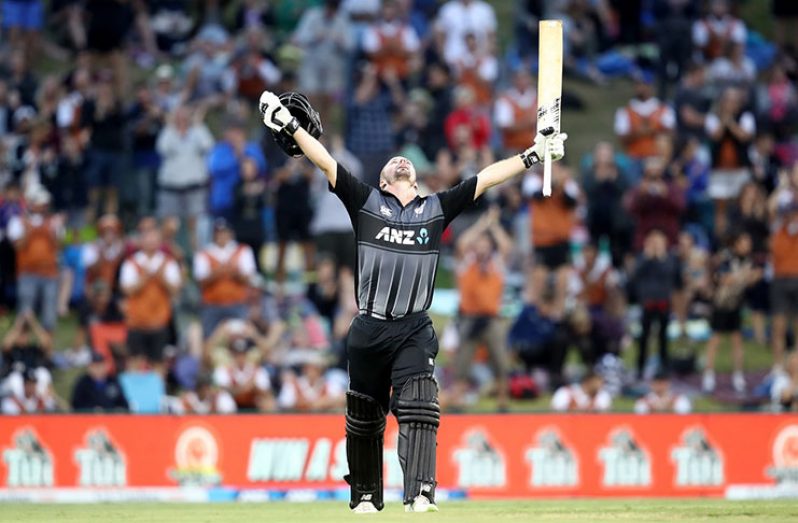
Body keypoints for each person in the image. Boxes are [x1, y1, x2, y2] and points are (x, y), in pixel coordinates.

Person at [258, 89, 565, 513]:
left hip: (413, 327)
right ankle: (365, 494)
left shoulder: (436, 209)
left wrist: (534, 153)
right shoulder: (364, 201)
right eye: (394, 165)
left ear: (417, 181)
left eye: (408, 166)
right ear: (384, 182)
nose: (402, 162)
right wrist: (288, 124)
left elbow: (488, 177)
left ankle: (420, 491)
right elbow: (325, 160)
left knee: (420, 402)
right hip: (369, 327)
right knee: (364, 417)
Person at [450, 207, 511, 412]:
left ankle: (503, 400)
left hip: (492, 318)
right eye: (480, 244)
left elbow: (506, 245)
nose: (482, 247)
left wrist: (493, 225)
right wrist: (482, 225)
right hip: (470, 317)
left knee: (500, 359)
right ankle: (458, 399)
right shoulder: (468, 262)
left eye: (485, 244)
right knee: (463, 359)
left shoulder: (496, 263)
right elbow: (462, 243)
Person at [703, 232, 760, 393]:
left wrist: (747, 277)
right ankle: (709, 374)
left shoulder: (749, 260)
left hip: (736, 304)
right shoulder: (727, 258)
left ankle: (737, 374)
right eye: (744, 242)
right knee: (715, 339)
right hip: (721, 304)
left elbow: (755, 277)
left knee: (737, 340)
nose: (747, 246)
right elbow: (724, 279)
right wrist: (744, 276)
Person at [119, 220, 182, 366]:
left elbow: (175, 289)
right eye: (147, 238)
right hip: (136, 322)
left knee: (158, 363)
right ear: (141, 241)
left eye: (154, 238)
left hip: (159, 322)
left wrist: (161, 278)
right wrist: (144, 278)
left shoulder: (168, 262)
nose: (151, 242)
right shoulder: (132, 263)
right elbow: (127, 290)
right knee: (134, 362)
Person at [7, 186, 62, 331]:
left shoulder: (53, 222)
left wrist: (51, 231)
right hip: (27, 271)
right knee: (25, 312)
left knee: (49, 312)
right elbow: (17, 246)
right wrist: (28, 231)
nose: (43, 206)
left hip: (49, 272)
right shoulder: (18, 222)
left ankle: (47, 348)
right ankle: (20, 345)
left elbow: (59, 246)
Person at [630, 229, 682, 379]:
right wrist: (647, 257)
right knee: (644, 337)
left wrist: (660, 258)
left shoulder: (670, 258)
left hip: (664, 302)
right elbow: (635, 276)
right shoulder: (642, 257)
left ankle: (664, 368)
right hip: (647, 303)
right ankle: (640, 368)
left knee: (663, 338)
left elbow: (672, 276)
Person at [194, 219, 257, 337]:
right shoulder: (204, 253)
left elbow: (248, 278)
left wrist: (233, 272)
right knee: (211, 338)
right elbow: (200, 281)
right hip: (212, 305)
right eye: (219, 233)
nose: (222, 236)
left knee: (239, 338)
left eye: (225, 232)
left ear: (231, 234)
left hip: (237, 303)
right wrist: (217, 272)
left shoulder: (242, 250)